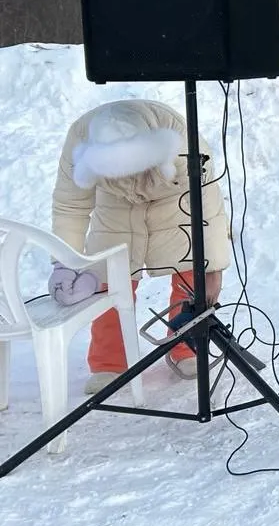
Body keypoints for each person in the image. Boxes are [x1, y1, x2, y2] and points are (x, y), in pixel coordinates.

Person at [50, 98, 231, 394]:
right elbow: (70, 206)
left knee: (190, 270)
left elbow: (207, 205)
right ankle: (109, 362)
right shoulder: (79, 140)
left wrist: (212, 266)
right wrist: (64, 262)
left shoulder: (183, 139)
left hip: (173, 202)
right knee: (108, 279)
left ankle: (186, 347)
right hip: (114, 208)